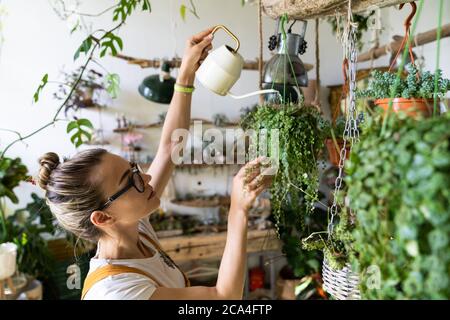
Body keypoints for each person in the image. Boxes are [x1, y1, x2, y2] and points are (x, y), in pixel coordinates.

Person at [37, 27, 274, 300]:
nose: (147, 179)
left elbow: (169, 148)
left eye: (134, 169)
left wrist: (186, 73)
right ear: (103, 217)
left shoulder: (133, 227)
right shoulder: (119, 293)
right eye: (132, 181)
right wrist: (238, 211)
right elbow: (222, 298)